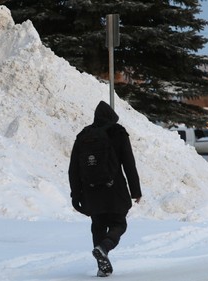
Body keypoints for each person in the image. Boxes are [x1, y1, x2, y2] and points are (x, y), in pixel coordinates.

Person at [68, 101, 142, 277]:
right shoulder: (118, 133)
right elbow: (129, 163)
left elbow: (74, 169)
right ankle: (105, 247)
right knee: (119, 223)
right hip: (114, 189)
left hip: (91, 191)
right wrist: (135, 191)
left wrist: (76, 194)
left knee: (98, 225)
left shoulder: (84, 136)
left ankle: (102, 266)